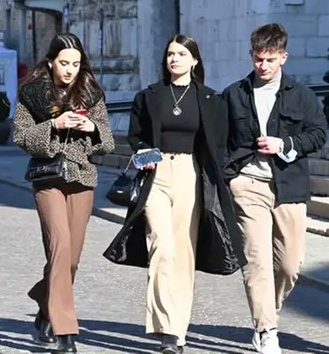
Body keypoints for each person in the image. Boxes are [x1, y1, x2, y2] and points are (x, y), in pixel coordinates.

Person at [103, 34, 245, 354]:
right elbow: (135, 136)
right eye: (170, 54)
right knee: (161, 247)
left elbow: (220, 144)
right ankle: (165, 325)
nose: (174, 59)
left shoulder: (210, 100)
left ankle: (176, 333)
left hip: (190, 175)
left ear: (195, 60)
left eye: (181, 54)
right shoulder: (149, 96)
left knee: (184, 254)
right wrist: (145, 153)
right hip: (156, 175)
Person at [222, 23, 328, 354]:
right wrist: (231, 177)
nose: (262, 66)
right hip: (248, 184)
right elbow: (219, 141)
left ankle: (270, 310)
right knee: (257, 260)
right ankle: (266, 329)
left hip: (289, 185)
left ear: (283, 57)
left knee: (289, 265)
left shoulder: (301, 94)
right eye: (257, 59)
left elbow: (318, 134)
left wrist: (286, 144)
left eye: (269, 59)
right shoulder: (234, 94)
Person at [13, 33, 115, 353]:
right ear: (51, 62)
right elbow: (20, 135)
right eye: (64, 63)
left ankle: (45, 307)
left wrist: (93, 129)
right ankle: (65, 331)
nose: (70, 70)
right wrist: (54, 125)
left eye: (76, 63)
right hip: (48, 178)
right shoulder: (32, 93)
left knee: (71, 260)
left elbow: (108, 142)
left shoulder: (91, 92)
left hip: (82, 178)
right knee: (59, 248)